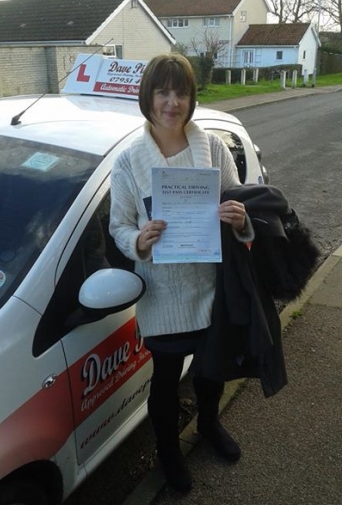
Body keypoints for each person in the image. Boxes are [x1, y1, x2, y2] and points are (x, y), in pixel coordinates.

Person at [109, 53, 254, 492]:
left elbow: (239, 202)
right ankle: (169, 452)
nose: (172, 102)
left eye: (181, 92)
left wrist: (240, 217)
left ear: (191, 99)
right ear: (148, 97)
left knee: (210, 370)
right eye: (163, 91)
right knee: (167, 381)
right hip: (163, 292)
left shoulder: (211, 146)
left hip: (210, 287)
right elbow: (118, 225)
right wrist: (138, 240)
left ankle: (208, 425)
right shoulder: (129, 160)